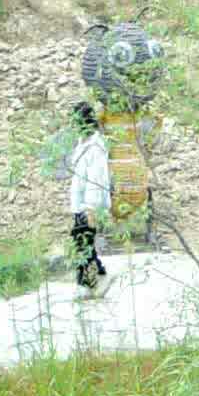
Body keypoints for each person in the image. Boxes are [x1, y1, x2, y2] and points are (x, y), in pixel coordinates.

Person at [65, 103, 114, 296]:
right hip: (80, 203)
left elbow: (96, 179)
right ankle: (99, 269)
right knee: (84, 239)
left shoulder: (96, 147)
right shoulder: (83, 142)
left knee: (82, 241)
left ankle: (87, 283)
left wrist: (90, 208)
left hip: (89, 204)